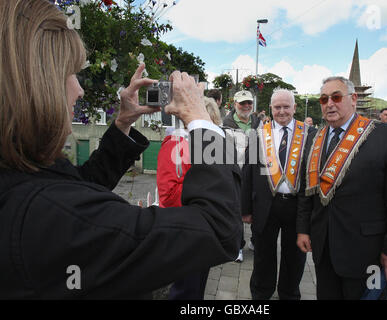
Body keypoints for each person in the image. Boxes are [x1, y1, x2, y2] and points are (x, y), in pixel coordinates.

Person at [0, 0, 242, 299]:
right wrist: (201, 121)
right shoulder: (43, 212)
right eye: (70, 74)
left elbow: (75, 187)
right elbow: (218, 231)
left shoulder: (21, 178)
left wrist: (124, 122)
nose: (79, 90)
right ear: (35, 84)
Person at [296, 76, 387, 300]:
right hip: (324, 248)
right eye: (324, 99)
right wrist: (303, 228)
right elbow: (308, 189)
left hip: (366, 252)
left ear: (353, 99)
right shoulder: (315, 138)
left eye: (336, 96)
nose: (329, 103)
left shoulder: (386, 136)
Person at [241, 89, 316, 300]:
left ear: (294, 108)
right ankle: (261, 294)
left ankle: (289, 294)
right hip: (265, 205)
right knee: (263, 255)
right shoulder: (258, 133)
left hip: (298, 207)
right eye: (277, 107)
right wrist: (245, 209)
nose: (281, 111)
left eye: (286, 107)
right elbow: (248, 171)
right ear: (271, 109)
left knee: (295, 257)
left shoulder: (310, 134)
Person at [156, 97, 223, 299]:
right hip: (184, 231)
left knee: (198, 288)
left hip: (204, 230)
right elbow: (168, 196)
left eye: (210, 125)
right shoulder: (175, 145)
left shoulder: (209, 148)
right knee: (185, 290)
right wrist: (207, 187)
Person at [223, 90, 261, 262]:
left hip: (255, 174)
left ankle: (255, 241)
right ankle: (237, 246)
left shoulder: (258, 122)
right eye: (242, 103)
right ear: (235, 104)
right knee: (236, 210)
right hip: (236, 173)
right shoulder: (226, 123)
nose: (246, 106)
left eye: (249, 103)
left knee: (257, 208)